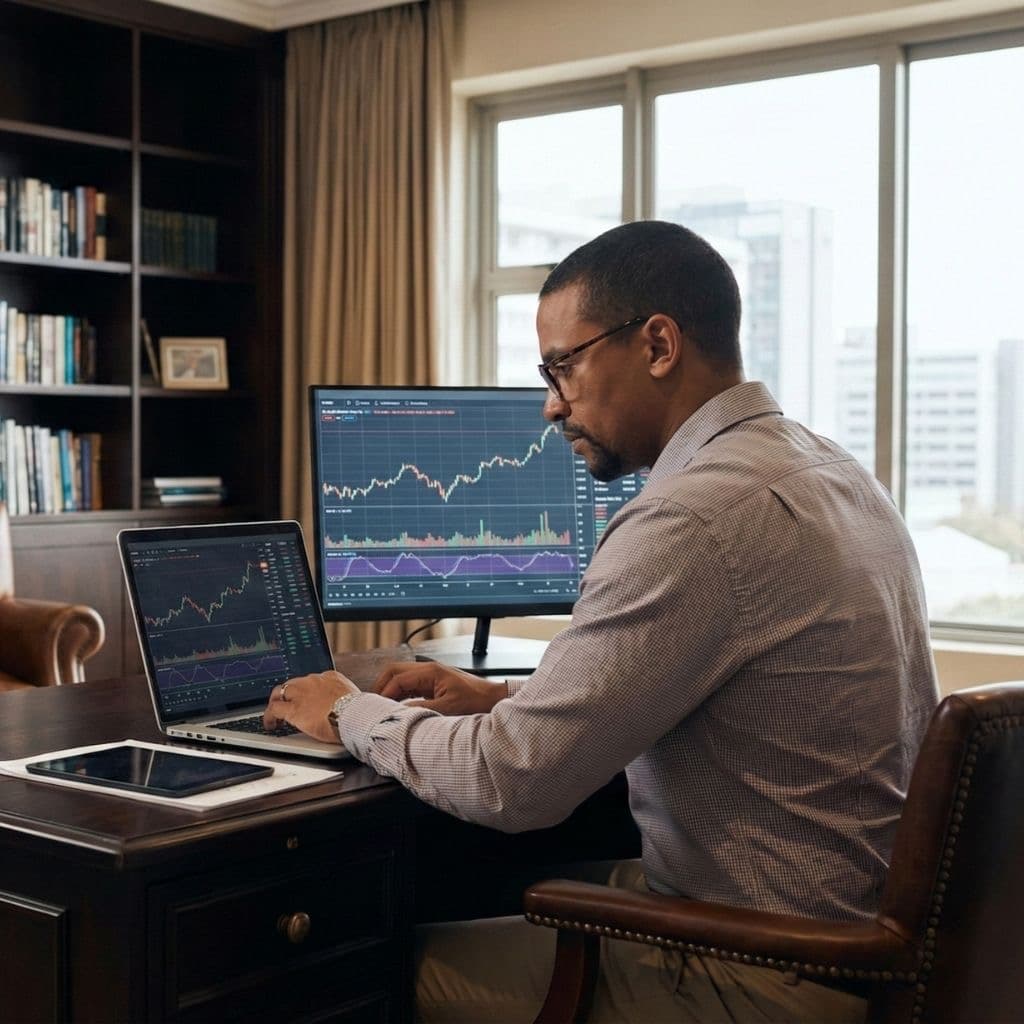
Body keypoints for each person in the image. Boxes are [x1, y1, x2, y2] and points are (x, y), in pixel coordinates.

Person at [264, 220, 939, 1022]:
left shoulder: (690, 519)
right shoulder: (837, 474)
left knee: (352, 974)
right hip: (863, 947)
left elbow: (509, 782)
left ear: (657, 344)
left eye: (564, 366)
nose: (552, 405)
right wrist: (501, 702)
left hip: (756, 971)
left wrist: (348, 711)